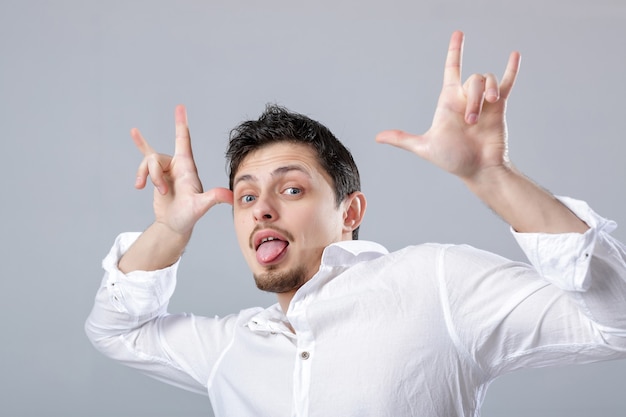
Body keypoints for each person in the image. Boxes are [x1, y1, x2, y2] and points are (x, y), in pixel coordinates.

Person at [85, 31, 626, 416]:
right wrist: (172, 230)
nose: (262, 208)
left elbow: (616, 324)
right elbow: (114, 331)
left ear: (350, 212)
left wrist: (492, 177)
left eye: (291, 188)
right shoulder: (233, 345)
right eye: (245, 196)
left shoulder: (433, 284)